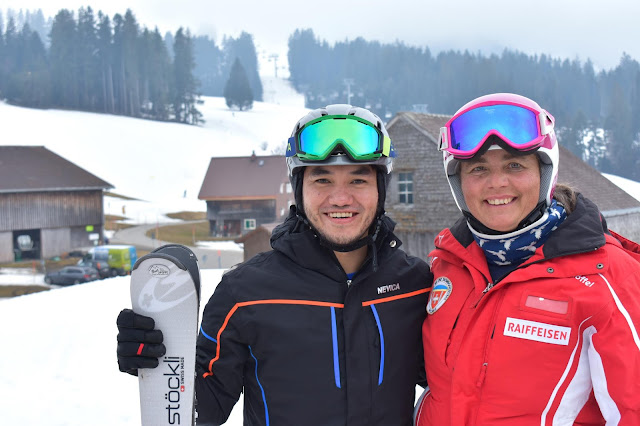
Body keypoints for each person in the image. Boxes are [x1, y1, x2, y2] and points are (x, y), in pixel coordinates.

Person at [117, 104, 431, 425]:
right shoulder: (245, 293)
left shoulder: (416, 286)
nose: (340, 198)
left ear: (380, 189)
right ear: (299, 189)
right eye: (322, 180)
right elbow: (202, 408)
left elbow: (451, 382)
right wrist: (160, 361)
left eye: (358, 180)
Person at [414, 93, 640, 425]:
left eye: (514, 165)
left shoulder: (608, 279)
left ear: (544, 172)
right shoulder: (447, 266)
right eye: (478, 169)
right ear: (458, 184)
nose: (496, 183)